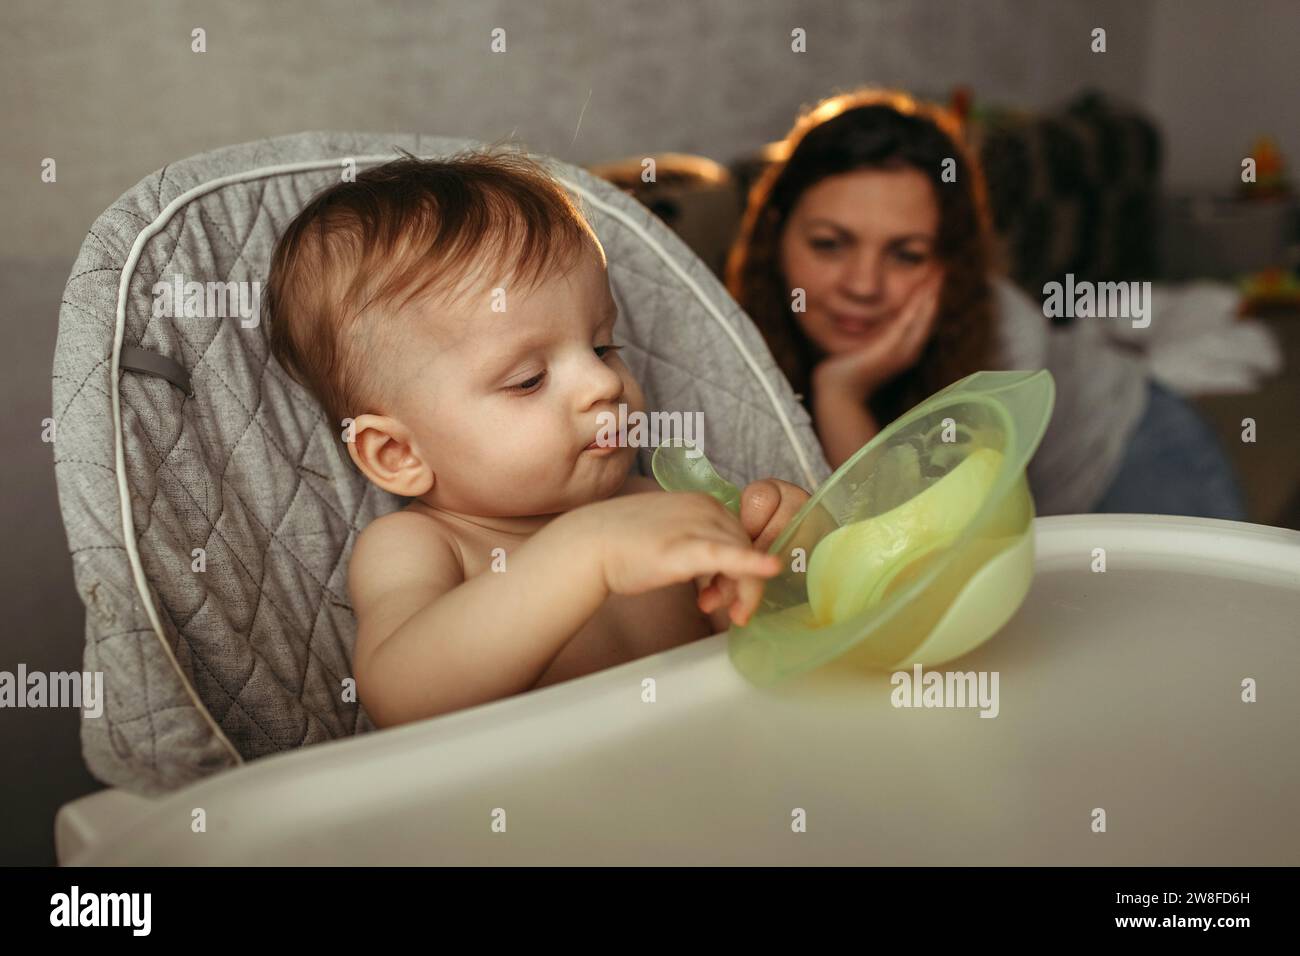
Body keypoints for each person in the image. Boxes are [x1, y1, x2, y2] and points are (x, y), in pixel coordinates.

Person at [264, 150, 809, 728]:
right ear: (398, 454)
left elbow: (758, 662)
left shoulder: (661, 509)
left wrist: (785, 558)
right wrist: (582, 553)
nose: (603, 382)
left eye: (602, 346)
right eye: (528, 380)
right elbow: (403, 695)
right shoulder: (422, 546)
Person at [725, 88, 1246, 520]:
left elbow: (921, 555)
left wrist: (841, 392)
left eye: (906, 255)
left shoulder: (1004, 332)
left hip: (1130, 445)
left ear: (951, 261)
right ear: (775, 236)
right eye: (830, 244)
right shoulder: (731, 331)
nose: (863, 285)